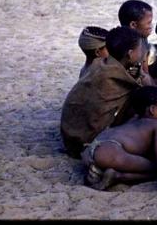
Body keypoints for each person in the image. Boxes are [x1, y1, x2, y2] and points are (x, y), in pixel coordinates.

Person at [60, 26, 146, 158]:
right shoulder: (117, 77)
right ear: (130, 54)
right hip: (87, 143)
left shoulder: (99, 65)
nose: (143, 52)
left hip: (70, 138)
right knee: (146, 111)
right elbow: (149, 90)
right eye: (140, 49)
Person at [81, 86, 157, 191]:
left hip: (90, 149)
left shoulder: (132, 120)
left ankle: (98, 171)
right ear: (152, 109)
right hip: (110, 152)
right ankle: (118, 176)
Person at [118, 0, 155, 86]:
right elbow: (142, 74)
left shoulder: (142, 38)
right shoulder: (123, 45)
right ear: (133, 25)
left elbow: (145, 70)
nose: (151, 27)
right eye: (148, 23)